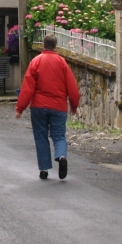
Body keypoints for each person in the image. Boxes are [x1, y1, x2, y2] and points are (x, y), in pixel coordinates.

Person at [16, 35, 80, 179]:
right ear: (55, 46)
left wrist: (20, 107)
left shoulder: (35, 62)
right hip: (58, 106)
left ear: (43, 45)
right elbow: (72, 87)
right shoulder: (62, 62)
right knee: (59, 136)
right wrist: (74, 105)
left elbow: (28, 87)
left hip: (38, 106)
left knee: (41, 137)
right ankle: (61, 156)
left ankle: (44, 169)